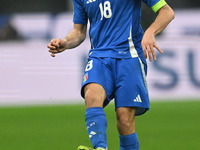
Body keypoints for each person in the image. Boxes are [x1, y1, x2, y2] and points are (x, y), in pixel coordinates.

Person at [47, 0, 174, 149]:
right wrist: (65, 42)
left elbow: (167, 12)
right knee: (92, 96)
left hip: (129, 56)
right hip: (99, 56)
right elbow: (79, 32)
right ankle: (100, 147)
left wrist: (150, 32)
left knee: (124, 120)